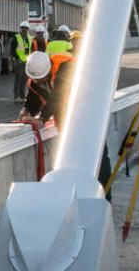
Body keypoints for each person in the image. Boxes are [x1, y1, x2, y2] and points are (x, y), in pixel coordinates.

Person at [21, 36, 113, 200]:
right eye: (37, 80)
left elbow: (59, 94)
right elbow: (34, 98)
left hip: (90, 117)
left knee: (99, 158)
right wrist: (26, 111)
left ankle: (105, 200)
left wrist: (42, 118)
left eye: (42, 79)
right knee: (74, 164)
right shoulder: (36, 78)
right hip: (68, 126)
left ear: (48, 69)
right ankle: (80, 198)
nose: (39, 82)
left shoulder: (66, 65)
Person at [12, 21, 32, 102]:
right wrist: (17, 58)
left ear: (28, 29)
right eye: (23, 28)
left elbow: (30, 49)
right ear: (21, 29)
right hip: (19, 61)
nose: (25, 30)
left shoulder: (29, 38)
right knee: (18, 79)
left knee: (25, 80)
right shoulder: (16, 37)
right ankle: (17, 97)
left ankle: (23, 96)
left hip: (26, 61)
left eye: (26, 28)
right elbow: (12, 50)